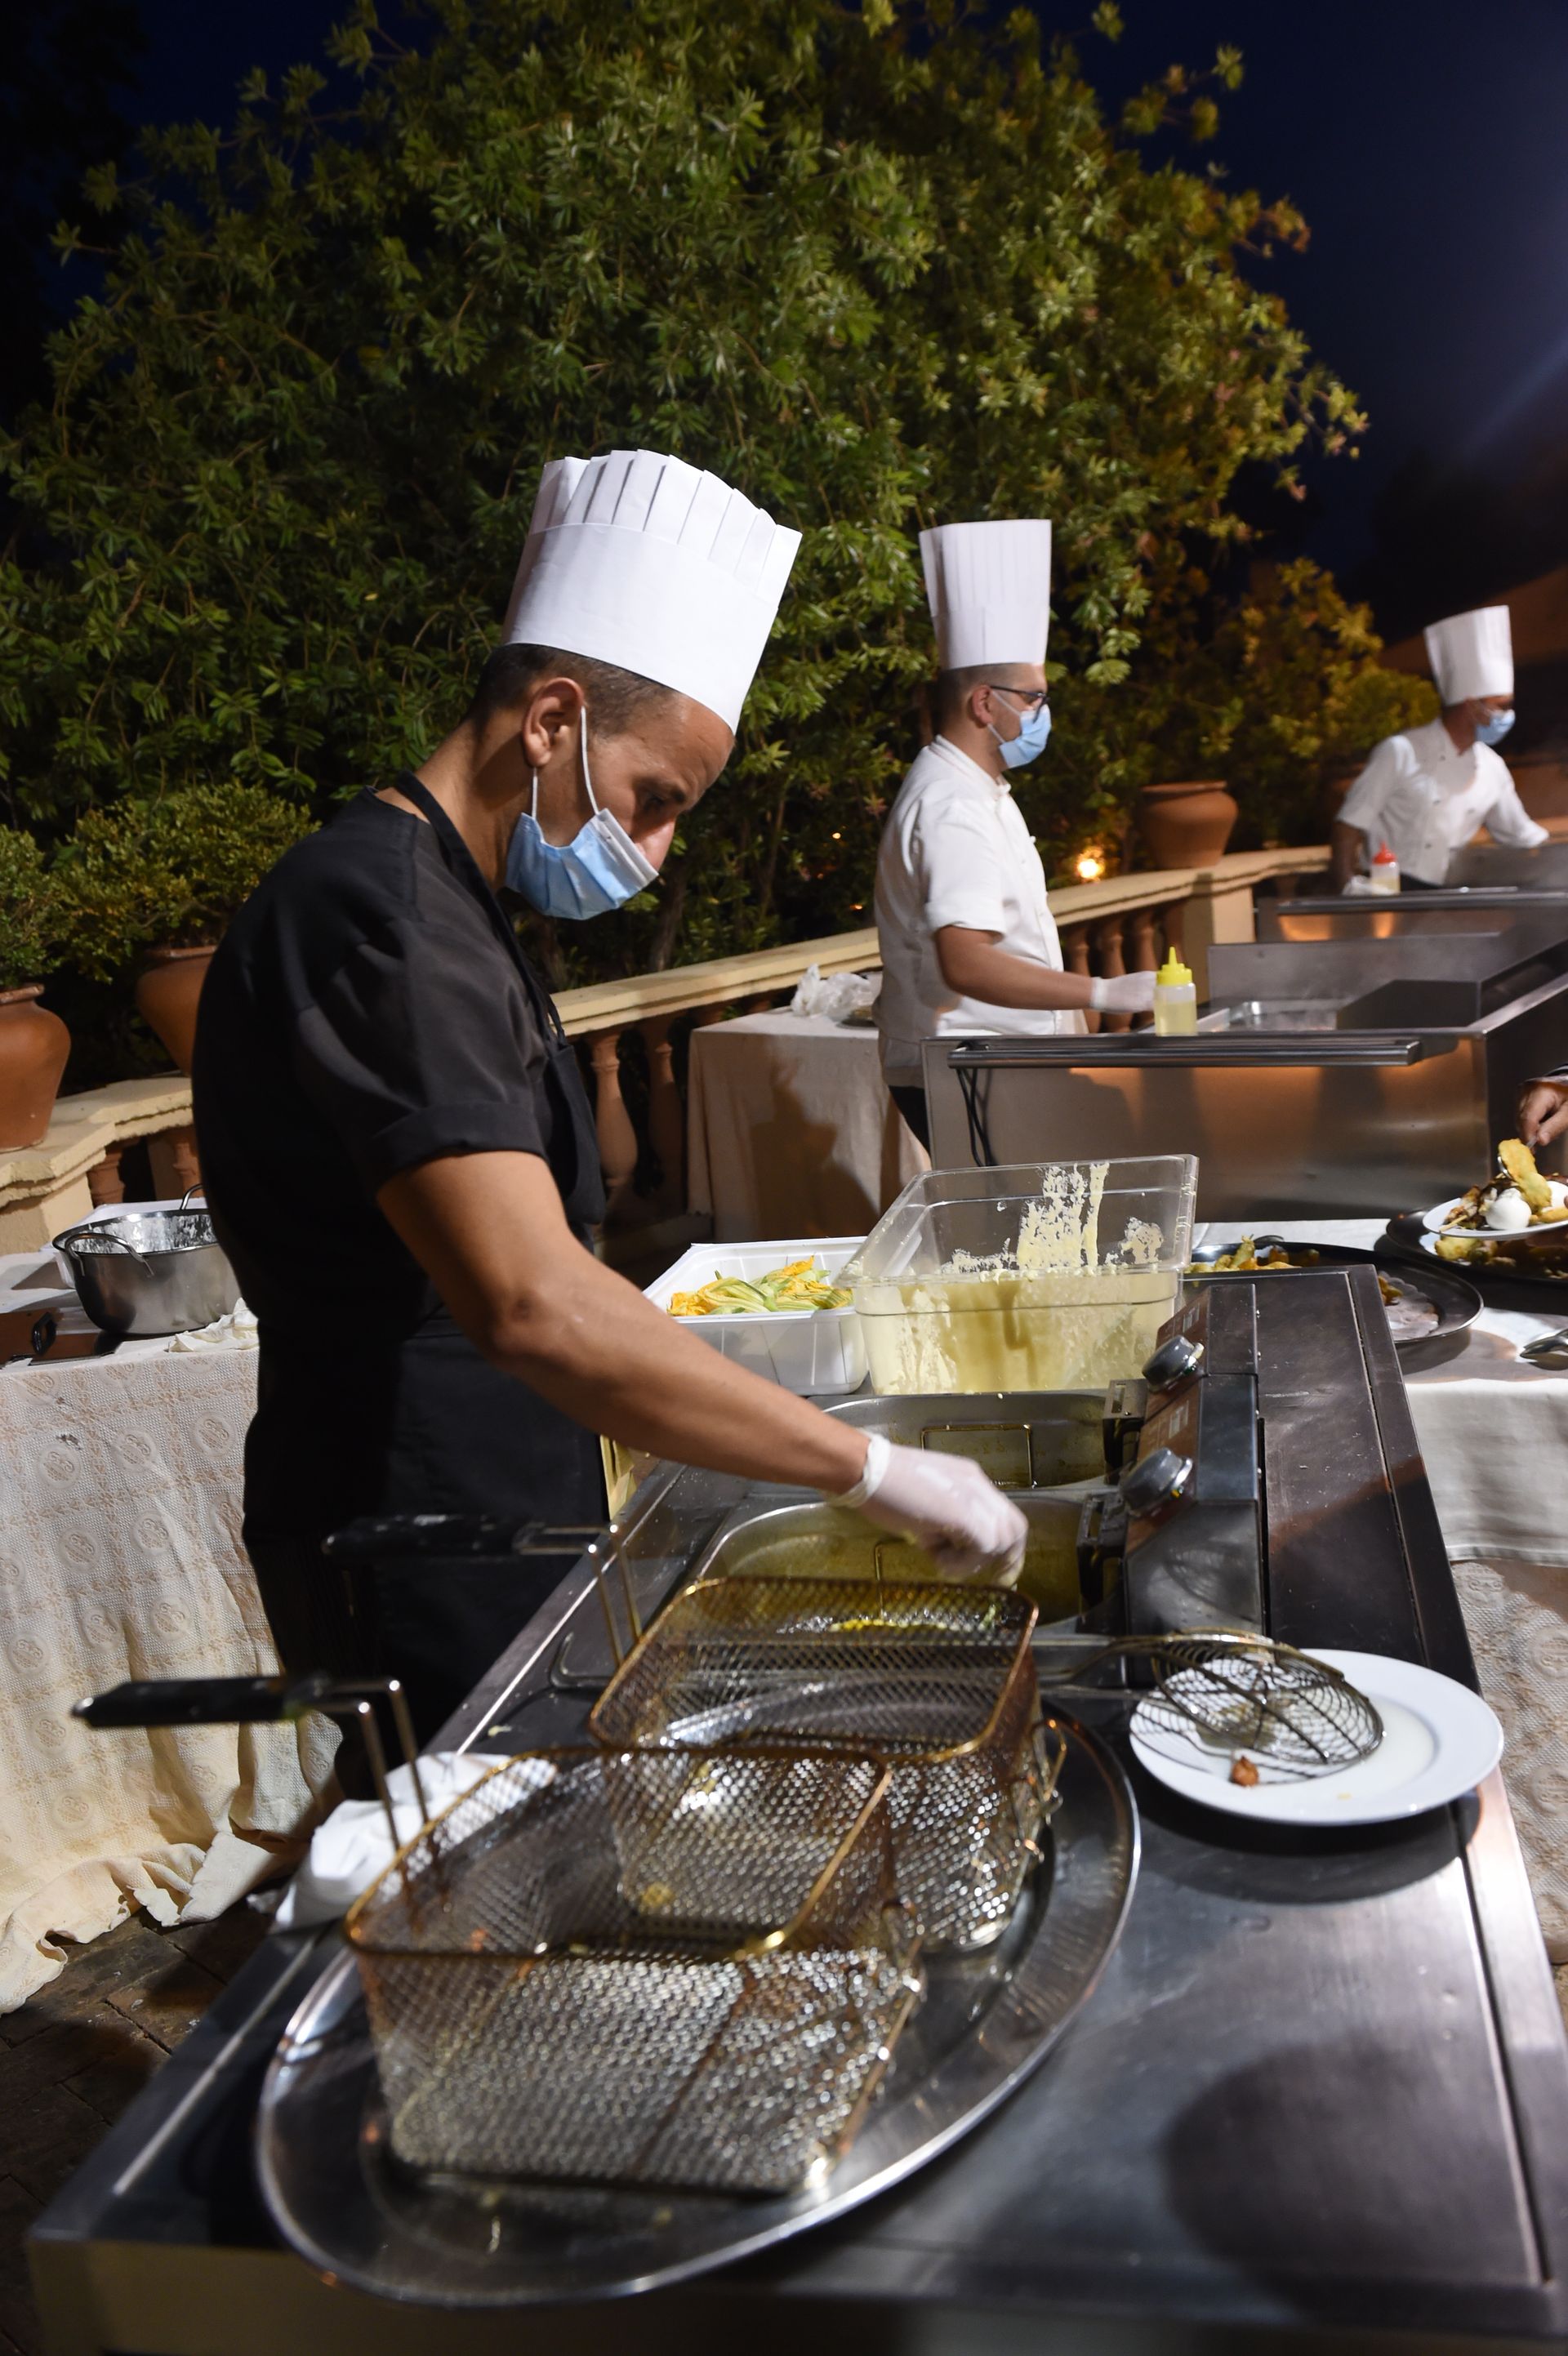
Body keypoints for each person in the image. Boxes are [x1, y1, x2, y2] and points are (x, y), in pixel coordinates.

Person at [192, 448, 1027, 1739]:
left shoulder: (459, 909)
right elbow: (531, 1300)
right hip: (415, 1531)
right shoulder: (376, 916)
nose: (654, 848)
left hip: (493, 1499)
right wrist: (867, 1467)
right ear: (551, 722)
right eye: (655, 800)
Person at [875, 519, 1155, 1148]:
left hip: (994, 1064)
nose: (1041, 714)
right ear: (984, 703)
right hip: (966, 1068)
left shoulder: (982, 788)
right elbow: (967, 960)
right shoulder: (952, 805)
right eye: (1033, 698)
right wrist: (1105, 989)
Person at [1331, 604, 1545, 893]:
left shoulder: (1492, 768)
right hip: (1386, 888)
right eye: (1501, 706)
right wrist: (1347, 886)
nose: (1508, 715)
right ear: (1472, 705)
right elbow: (1349, 822)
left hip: (1443, 892)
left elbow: (1522, 834)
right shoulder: (1400, 752)